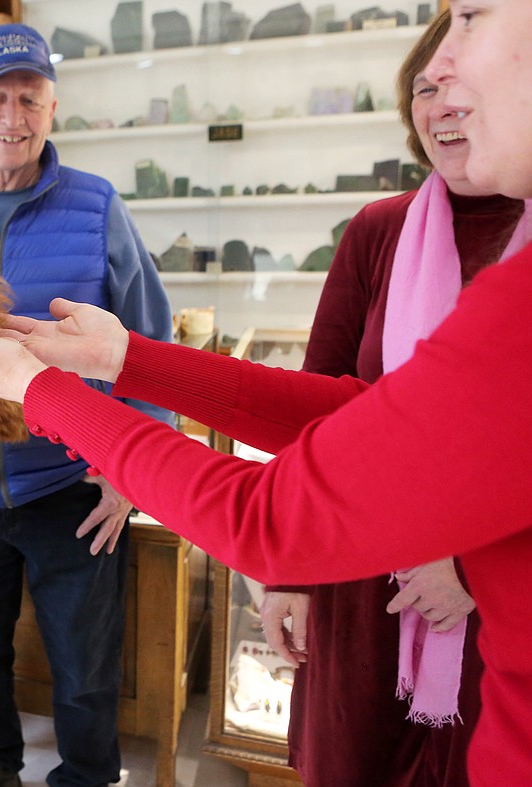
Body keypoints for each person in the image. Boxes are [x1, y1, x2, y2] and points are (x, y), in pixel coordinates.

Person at [0, 3, 532, 782]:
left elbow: (271, 520)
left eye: (469, 17)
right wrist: (127, 358)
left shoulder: (515, 310)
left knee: (86, 659)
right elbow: (349, 410)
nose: (439, 65)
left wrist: (43, 390)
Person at [259, 10, 526, 786]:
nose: (441, 103)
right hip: (359, 582)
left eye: (458, 83)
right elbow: (312, 406)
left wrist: (470, 567)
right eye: (423, 87)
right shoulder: (378, 230)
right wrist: (288, 572)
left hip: (495, 602)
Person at [0, 23, 172, 787]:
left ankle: (87, 776)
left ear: (52, 108)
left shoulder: (96, 205)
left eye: (28, 96)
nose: (11, 116)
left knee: (85, 660)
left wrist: (132, 471)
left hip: (73, 483)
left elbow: (151, 344)